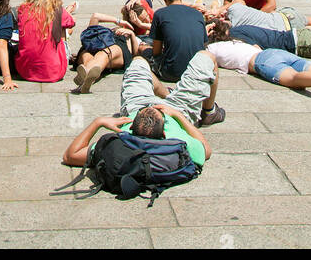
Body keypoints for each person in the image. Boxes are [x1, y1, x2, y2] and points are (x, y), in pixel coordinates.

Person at [62, 53, 220, 172]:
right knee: (207, 57)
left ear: (129, 129)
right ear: (165, 133)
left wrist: (98, 122)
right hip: (178, 108)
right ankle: (209, 111)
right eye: (154, 112)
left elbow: (70, 155)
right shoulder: (179, 142)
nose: (151, 108)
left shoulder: (118, 145)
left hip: (136, 104)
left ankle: (164, 92)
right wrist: (177, 116)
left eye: (146, 113)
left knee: (138, 61)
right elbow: (206, 149)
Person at [14, 0, 76, 83]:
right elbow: (71, 23)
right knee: (63, 28)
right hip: (55, 72)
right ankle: (64, 54)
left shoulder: (22, 10)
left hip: (25, 70)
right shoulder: (56, 9)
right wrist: (66, 12)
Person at [150, 0, 209, 83]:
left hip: (172, 73)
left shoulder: (160, 14)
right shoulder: (198, 14)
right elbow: (203, 45)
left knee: (145, 50)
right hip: (198, 72)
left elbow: (156, 52)